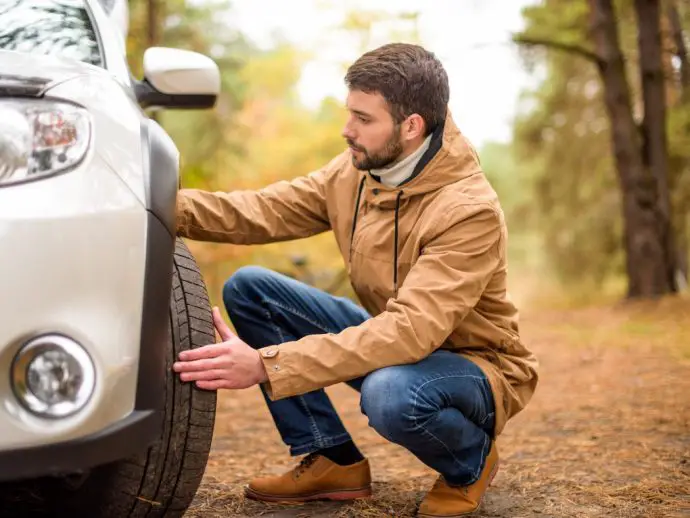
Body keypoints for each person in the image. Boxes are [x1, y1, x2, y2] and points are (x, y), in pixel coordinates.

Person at [173, 42, 538, 517]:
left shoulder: (468, 210)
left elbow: (410, 331)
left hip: (475, 367)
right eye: (351, 114)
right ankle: (332, 458)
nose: (348, 131)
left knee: (389, 394)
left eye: (364, 119)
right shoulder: (359, 171)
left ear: (412, 127)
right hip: (397, 341)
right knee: (252, 289)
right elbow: (261, 210)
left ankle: (470, 462)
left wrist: (267, 364)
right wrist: (159, 205)